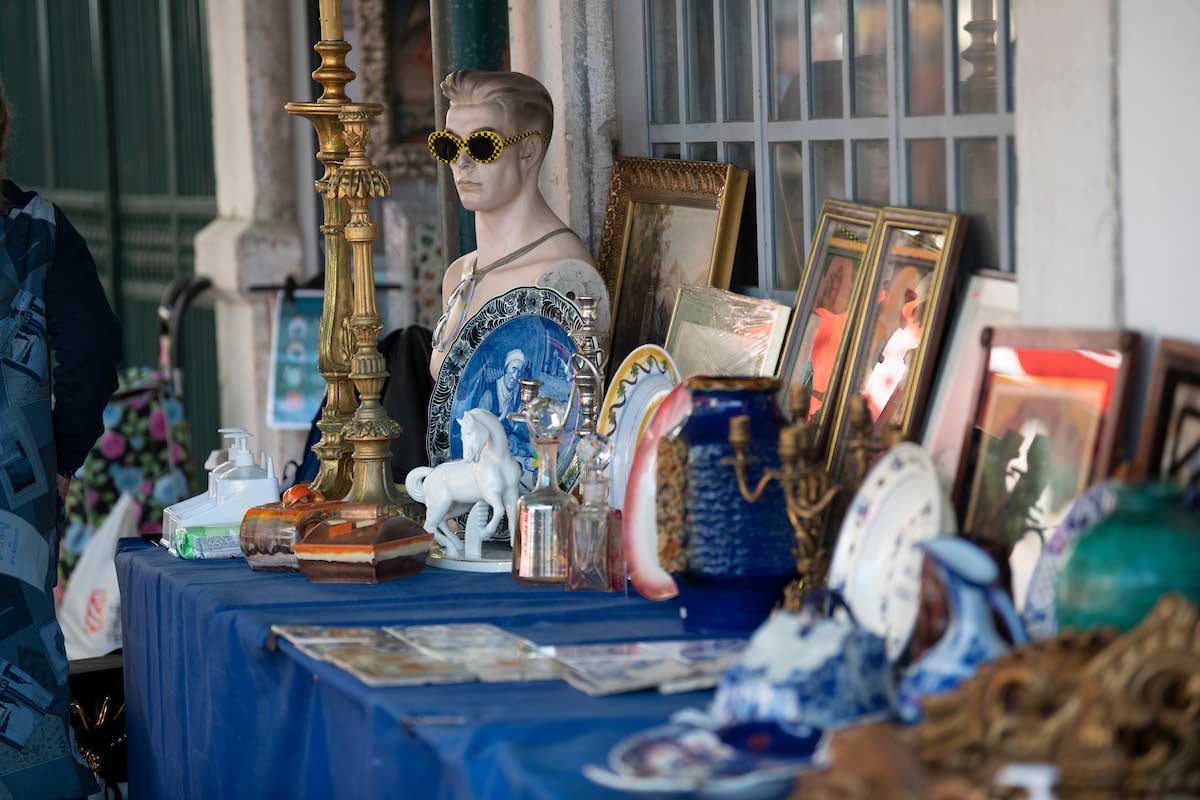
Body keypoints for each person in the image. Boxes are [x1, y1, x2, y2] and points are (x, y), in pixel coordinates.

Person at [0, 82, 122, 797]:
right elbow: (92, 351)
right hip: (16, 496)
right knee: (20, 661)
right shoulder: (38, 229)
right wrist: (63, 456)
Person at [428, 70, 610, 378]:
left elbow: (569, 401)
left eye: (482, 146)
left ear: (528, 150)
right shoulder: (458, 276)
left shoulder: (562, 279)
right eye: (448, 145)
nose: (461, 161)